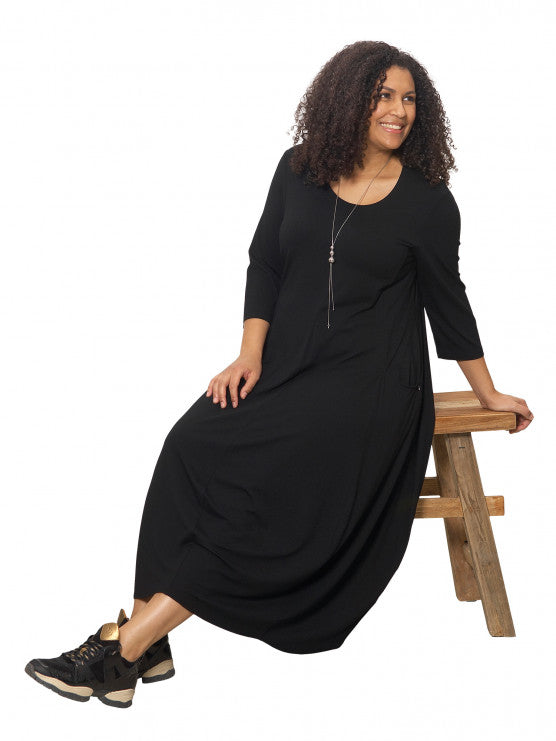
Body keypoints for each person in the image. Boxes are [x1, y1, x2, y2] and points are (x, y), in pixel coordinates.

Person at [24, 40, 534, 708]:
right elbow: (265, 260)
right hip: (289, 364)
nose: (398, 110)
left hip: (373, 383)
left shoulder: (429, 202)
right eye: (383, 95)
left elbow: (449, 303)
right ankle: (149, 641)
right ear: (347, 99)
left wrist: (487, 391)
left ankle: (121, 650)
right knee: (190, 442)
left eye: (409, 99)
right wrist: (249, 353)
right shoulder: (299, 170)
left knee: (258, 484)